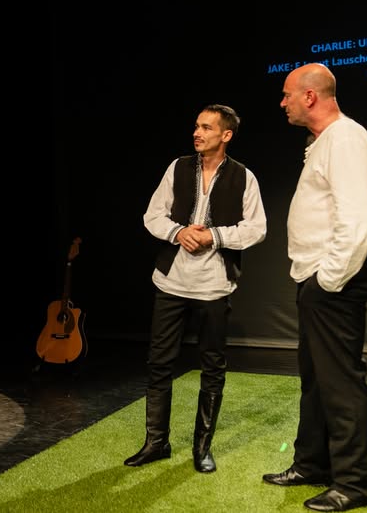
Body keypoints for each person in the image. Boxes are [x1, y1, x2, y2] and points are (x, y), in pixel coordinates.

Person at [261, 63, 367, 512]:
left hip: (336, 279)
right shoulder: (325, 141)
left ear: (309, 96)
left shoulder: (345, 139)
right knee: (316, 379)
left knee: (340, 382)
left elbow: (356, 220)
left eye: (287, 94)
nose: (282, 102)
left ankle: (354, 484)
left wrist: (327, 279)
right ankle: (312, 463)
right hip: (319, 276)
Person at [125, 104, 267, 472]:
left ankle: (202, 448)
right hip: (171, 282)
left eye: (206, 127)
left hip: (213, 287)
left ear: (226, 135)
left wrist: (213, 236)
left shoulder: (243, 177)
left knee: (212, 367)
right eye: (196, 126)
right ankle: (156, 442)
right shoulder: (178, 167)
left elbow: (256, 229)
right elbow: (152, 215)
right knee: (159, 363)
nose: (197, 133)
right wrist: (179, 232)